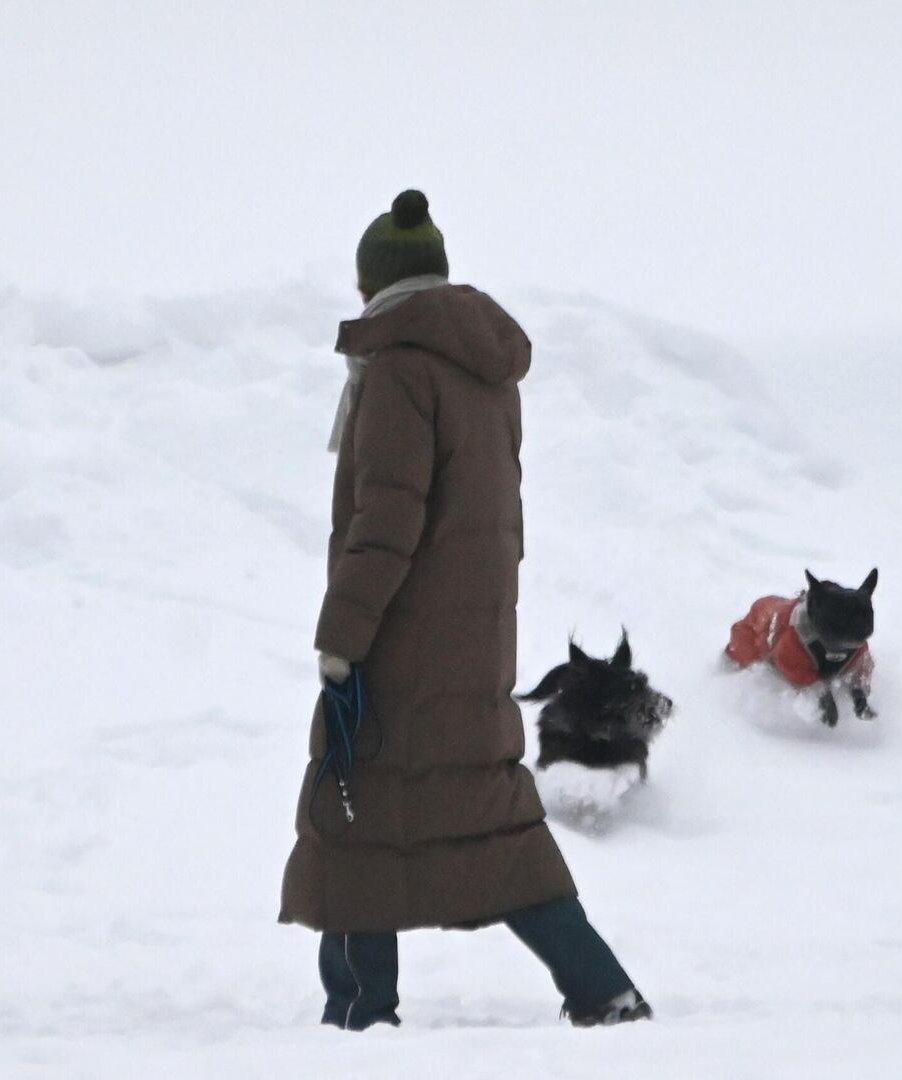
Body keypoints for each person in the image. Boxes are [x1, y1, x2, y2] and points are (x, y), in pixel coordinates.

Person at [278, 190, 651, 1031]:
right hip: (473, 644)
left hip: (403, 646)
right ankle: (600, 986)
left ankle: (360, 1014)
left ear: (375, 283)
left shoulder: (400, 369)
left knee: (354, 815)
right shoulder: (482, 373)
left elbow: (387, 523)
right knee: (490, 825)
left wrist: (342, 640)